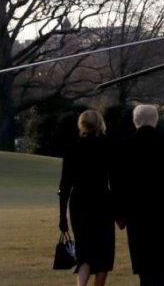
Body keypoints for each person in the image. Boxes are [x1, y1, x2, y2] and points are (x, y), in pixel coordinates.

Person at [114, 104, 164, 286]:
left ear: (135, 121)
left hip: (137, 212)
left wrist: (118, 214)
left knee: (143, 259)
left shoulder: (124, 145)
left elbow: (118, 182)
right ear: (156, 120)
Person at [58, 110, 115, 286]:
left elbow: (64, 185)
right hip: (102, 202)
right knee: (104, 255)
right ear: (100, 124)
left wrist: (62, 216)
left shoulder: (73, 147)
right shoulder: (107, 145)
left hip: (79, 204)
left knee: (84, 254)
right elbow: (114, 181)